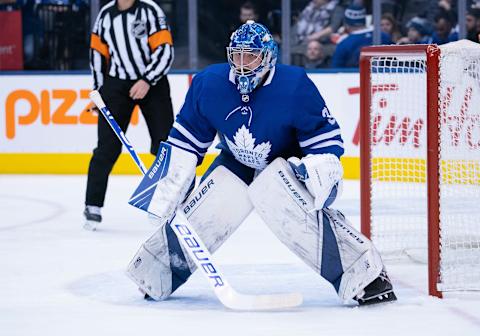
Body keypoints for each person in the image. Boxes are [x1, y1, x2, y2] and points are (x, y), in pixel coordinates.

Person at [125, 21, 397, 307]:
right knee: (210, 205)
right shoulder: (209, 83)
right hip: (236, 161)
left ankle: (365, 275)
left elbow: (322, 138)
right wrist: (170, 182)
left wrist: (321, 166)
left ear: (267, 57)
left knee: (286, 202)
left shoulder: (293, 85)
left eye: (251, 55)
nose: (242, 64)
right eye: (237, 55)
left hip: (287, 164)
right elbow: (185, 142)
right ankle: (156, 271)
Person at [84, 0, 174, 230]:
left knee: (165, 144)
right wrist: (98, 92)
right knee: (107, 147)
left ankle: (169, 202)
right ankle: (92, 205)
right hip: (116, 85)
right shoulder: (105, 16)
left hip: (152, 84)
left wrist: (147, 80)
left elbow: (165, 50)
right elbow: (97, 55)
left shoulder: (150, 10)